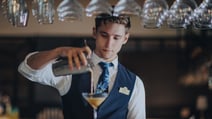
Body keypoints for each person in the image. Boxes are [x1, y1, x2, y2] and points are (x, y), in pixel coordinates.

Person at [18, 13, 146, 119]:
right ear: (95, 33)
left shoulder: (135, 83)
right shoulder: (71, 68)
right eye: (104, 35)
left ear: (125, 39)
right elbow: (27, 69)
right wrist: (57, 52)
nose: (109, 44)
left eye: (116, 37)